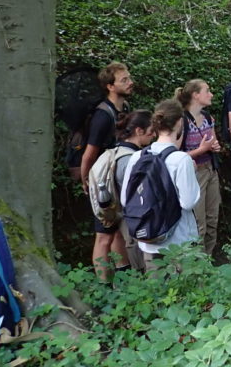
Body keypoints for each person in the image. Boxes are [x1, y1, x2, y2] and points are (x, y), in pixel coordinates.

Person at [121, 99, 200, 270]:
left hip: (148, 240)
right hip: (180, 242)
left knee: (158, 291)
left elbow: (125, 199)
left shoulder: (137, 156)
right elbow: (188, 202)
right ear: (180, 122)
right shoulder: (181, 159)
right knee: (186, 292)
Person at [81, 62, 134, 281]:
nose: (130, 82)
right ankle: (103, 284)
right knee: (103, 234)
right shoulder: (103, 116)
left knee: (117, 228)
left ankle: (122, 275)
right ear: (110, 86)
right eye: (124, 80)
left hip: (117, 178)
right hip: (102, 181)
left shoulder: (125, 109)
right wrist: (87, 181)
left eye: (129, 78)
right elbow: (89, 153)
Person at [176, 80, 221, 259]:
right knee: (198, 223)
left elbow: (214, 142)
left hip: (210, 171)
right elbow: (174, 155)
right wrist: (201, 150)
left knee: (212, 219)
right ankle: (196, 264)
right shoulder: (182, 121)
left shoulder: (208, 117)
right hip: (194, 174)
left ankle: (208, 259)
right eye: (207, 91)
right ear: (195, 95)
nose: (211, 95)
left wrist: (214, 147)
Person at [113, 110, 154, 272]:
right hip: (134, 221)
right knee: (140, 262)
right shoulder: (129, 159)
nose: (153, 136)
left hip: (126, 217)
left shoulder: (118, 150)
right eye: (151, 132)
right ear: (139, 131)